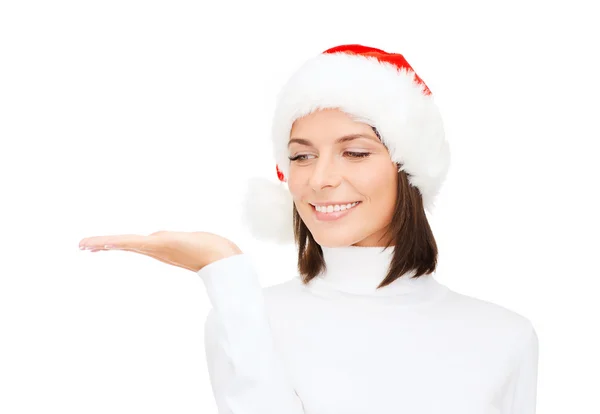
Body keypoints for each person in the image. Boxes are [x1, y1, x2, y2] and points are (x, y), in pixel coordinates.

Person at [79, 44, 539, 414]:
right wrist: (224, 271)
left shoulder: (504, 336)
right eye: (301, 156)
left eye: (355, 152)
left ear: (409, 169)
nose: (320, 179)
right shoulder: (248, 317)